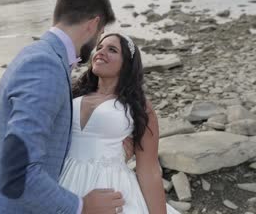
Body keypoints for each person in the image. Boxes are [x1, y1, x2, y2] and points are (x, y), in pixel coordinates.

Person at [0, 0, 132, 214]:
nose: (99, 42)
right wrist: (82, 206)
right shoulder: (45, 66)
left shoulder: (35, 54)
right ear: (93, 24)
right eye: (101, 33)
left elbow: (48, 138)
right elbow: (18, 172)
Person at [59, 33, 181, 214]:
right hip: (64, 180)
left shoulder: (138, 107)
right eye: (99, 47)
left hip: (111, 186)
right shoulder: (72, 95)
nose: (101, 52)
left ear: (126, 64)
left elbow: (149, 170)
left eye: (112, 50)